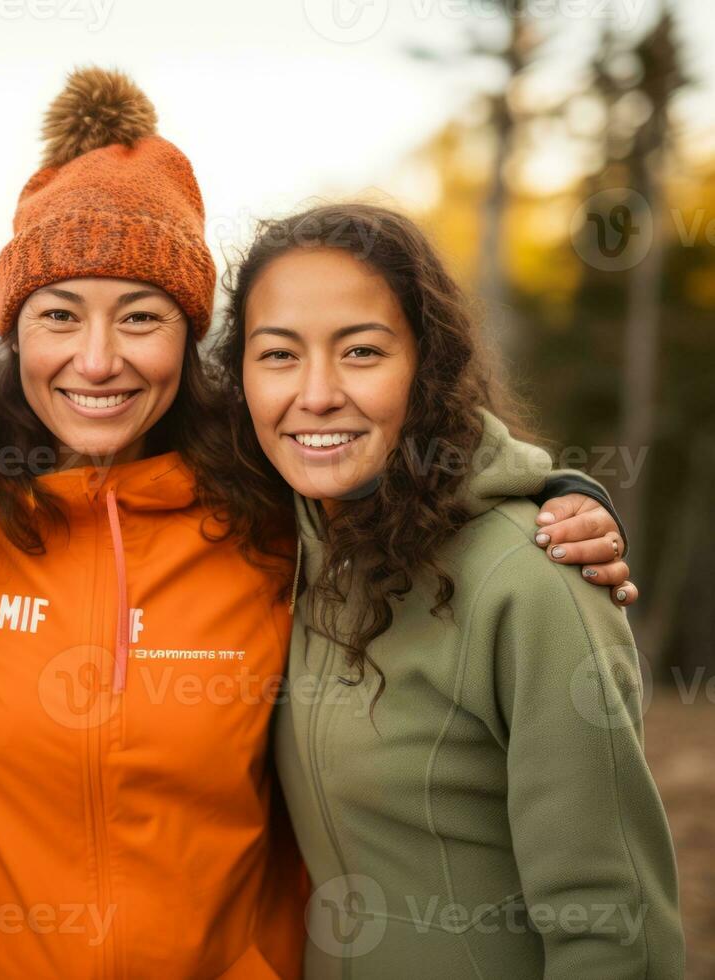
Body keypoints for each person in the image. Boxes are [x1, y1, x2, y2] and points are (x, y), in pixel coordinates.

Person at [0, 69, 631, 977]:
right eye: (58, 315)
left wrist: (558, 492)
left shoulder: (265, 510)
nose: (97, 361)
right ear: (17, 330)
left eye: (140, 317)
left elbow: (404, 473)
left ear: (194, 338)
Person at [217, 202, 682, 977]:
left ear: (426, 365)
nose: (317, 392)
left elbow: (612, 925)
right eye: (277, 355)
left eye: (361, 352)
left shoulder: (533, 583)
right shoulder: (277, 546)